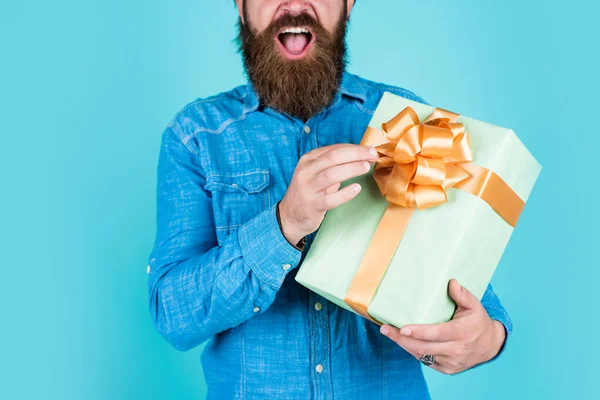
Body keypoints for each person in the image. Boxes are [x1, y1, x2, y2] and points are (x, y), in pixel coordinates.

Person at [147, 1, 511, 398]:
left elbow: (470, 290)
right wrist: (283, 225)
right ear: (241, 5)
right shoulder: (196, 136)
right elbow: (173, 314)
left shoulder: (407, 120)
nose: (294, 3)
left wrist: (488, 337)